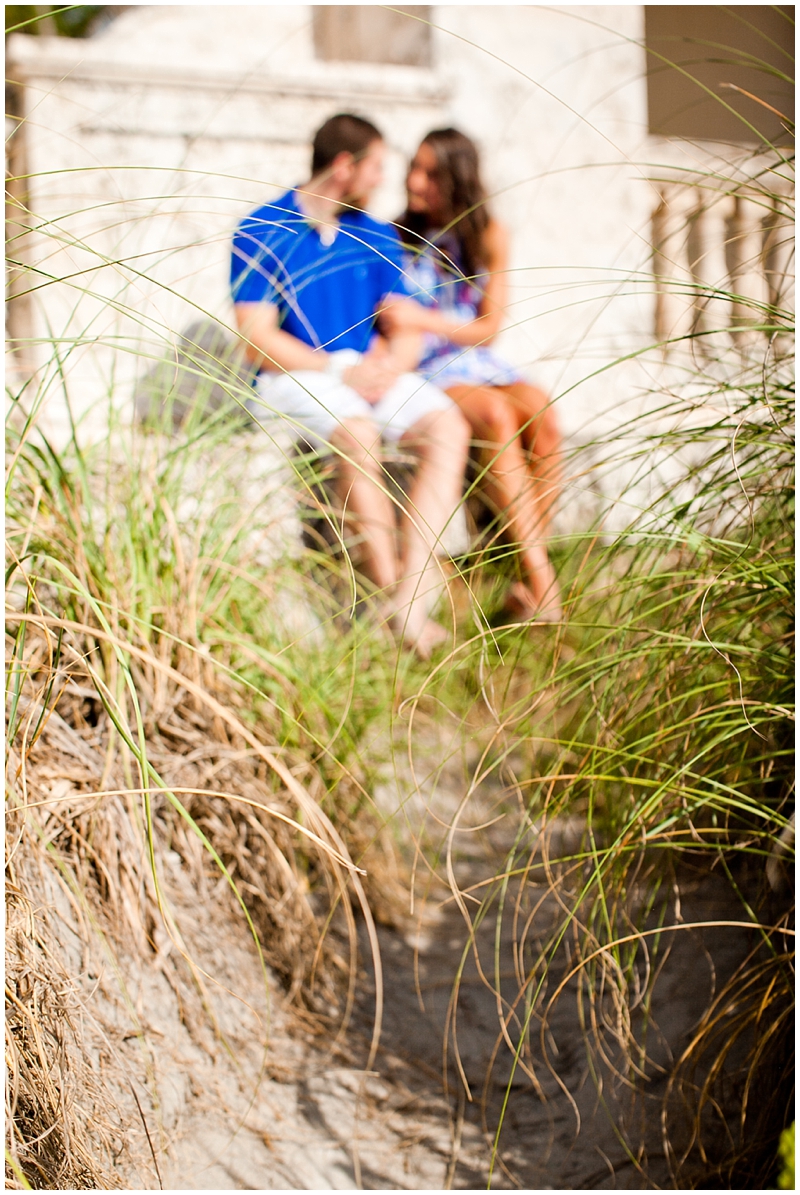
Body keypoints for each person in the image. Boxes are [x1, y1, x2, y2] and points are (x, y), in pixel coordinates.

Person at [230, 114, 470, 657]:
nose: (385, 180)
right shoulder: (263, 229)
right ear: (344, 167)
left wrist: (390, 365)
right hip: (293, 378)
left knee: (446, 424)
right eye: (377, 167)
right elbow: (257, 339)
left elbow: (402, 320)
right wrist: (342, 371)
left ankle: (409, 596)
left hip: (368, 375)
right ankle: (394, 599)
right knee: (358, 432)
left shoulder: (375, 233)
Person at [379, 127, 563, 622]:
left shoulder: (487, 235)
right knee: (497, 416)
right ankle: (541, 582)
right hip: (429, 365)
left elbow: (490, 327)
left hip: (478, 357)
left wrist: (423, 317)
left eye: (429, 173)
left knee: (543, 416)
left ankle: (510, 569)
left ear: (457, 179)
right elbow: (392, 322)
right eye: (413, 169)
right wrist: (418, 327)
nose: (415, 182)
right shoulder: (393, 238)